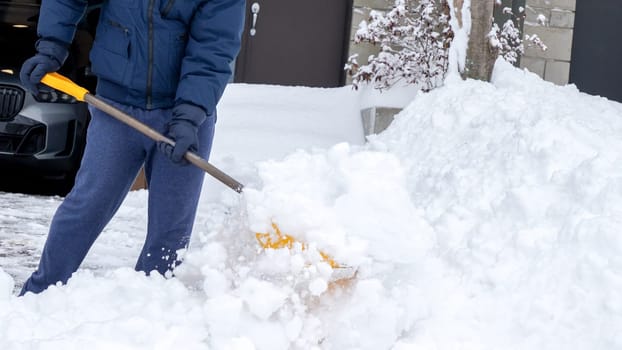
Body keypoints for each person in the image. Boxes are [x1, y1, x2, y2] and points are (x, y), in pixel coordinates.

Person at [18, 0, 245, 295]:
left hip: (185, 114)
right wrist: (51, 48)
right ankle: (40, 293)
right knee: (86, 206)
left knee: (171, 227)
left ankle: (148, 306)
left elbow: (213, 49)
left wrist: (189, 115)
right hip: (116, 105)